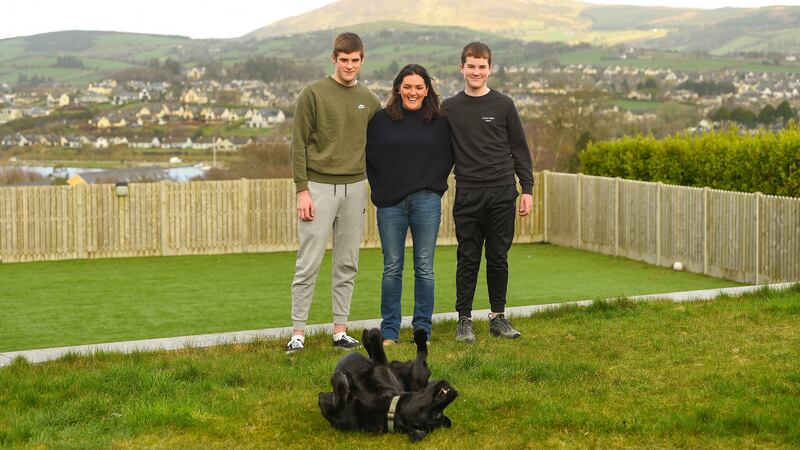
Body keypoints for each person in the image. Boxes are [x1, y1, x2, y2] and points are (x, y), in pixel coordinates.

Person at [286, 32, 381, 353]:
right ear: (334, 59)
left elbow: (380, 148)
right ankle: (298, 332)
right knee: (308, 262)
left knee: (347, 261)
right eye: (344, 60)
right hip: (317, 187)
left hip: (356, 188)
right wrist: (302, 190)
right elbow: (297, 145)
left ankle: (340, 330)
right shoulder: (312, 93)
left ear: (362, 59)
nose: (350, 66)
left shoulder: (370, 100)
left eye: (355, 60)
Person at [442, 42, 534, 342]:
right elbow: (439, 152)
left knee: (498, 256)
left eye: (482, 67)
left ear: (490, 69)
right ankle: (464, 320)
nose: (476, 72)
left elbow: (520, 149)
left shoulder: (504, 105)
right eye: (471, 66)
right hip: (468, 192)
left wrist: (527, 189)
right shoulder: (450, 108)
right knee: (467, 256)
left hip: (502, 192)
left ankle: (498, 318)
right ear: (462, 68)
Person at [366, 64, 454, 345]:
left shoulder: (441, 122)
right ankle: (390, 330)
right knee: (392, 267)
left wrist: (434, 187)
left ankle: (422, 330)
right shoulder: (380, 120)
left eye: (418, 87)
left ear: (427, 90)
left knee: (424, 267)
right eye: (407, 87)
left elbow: (448, 156)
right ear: (398, 89)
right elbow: (371, 159)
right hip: (390, 204)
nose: (413, 92)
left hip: (426, 202)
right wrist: (380, 190)